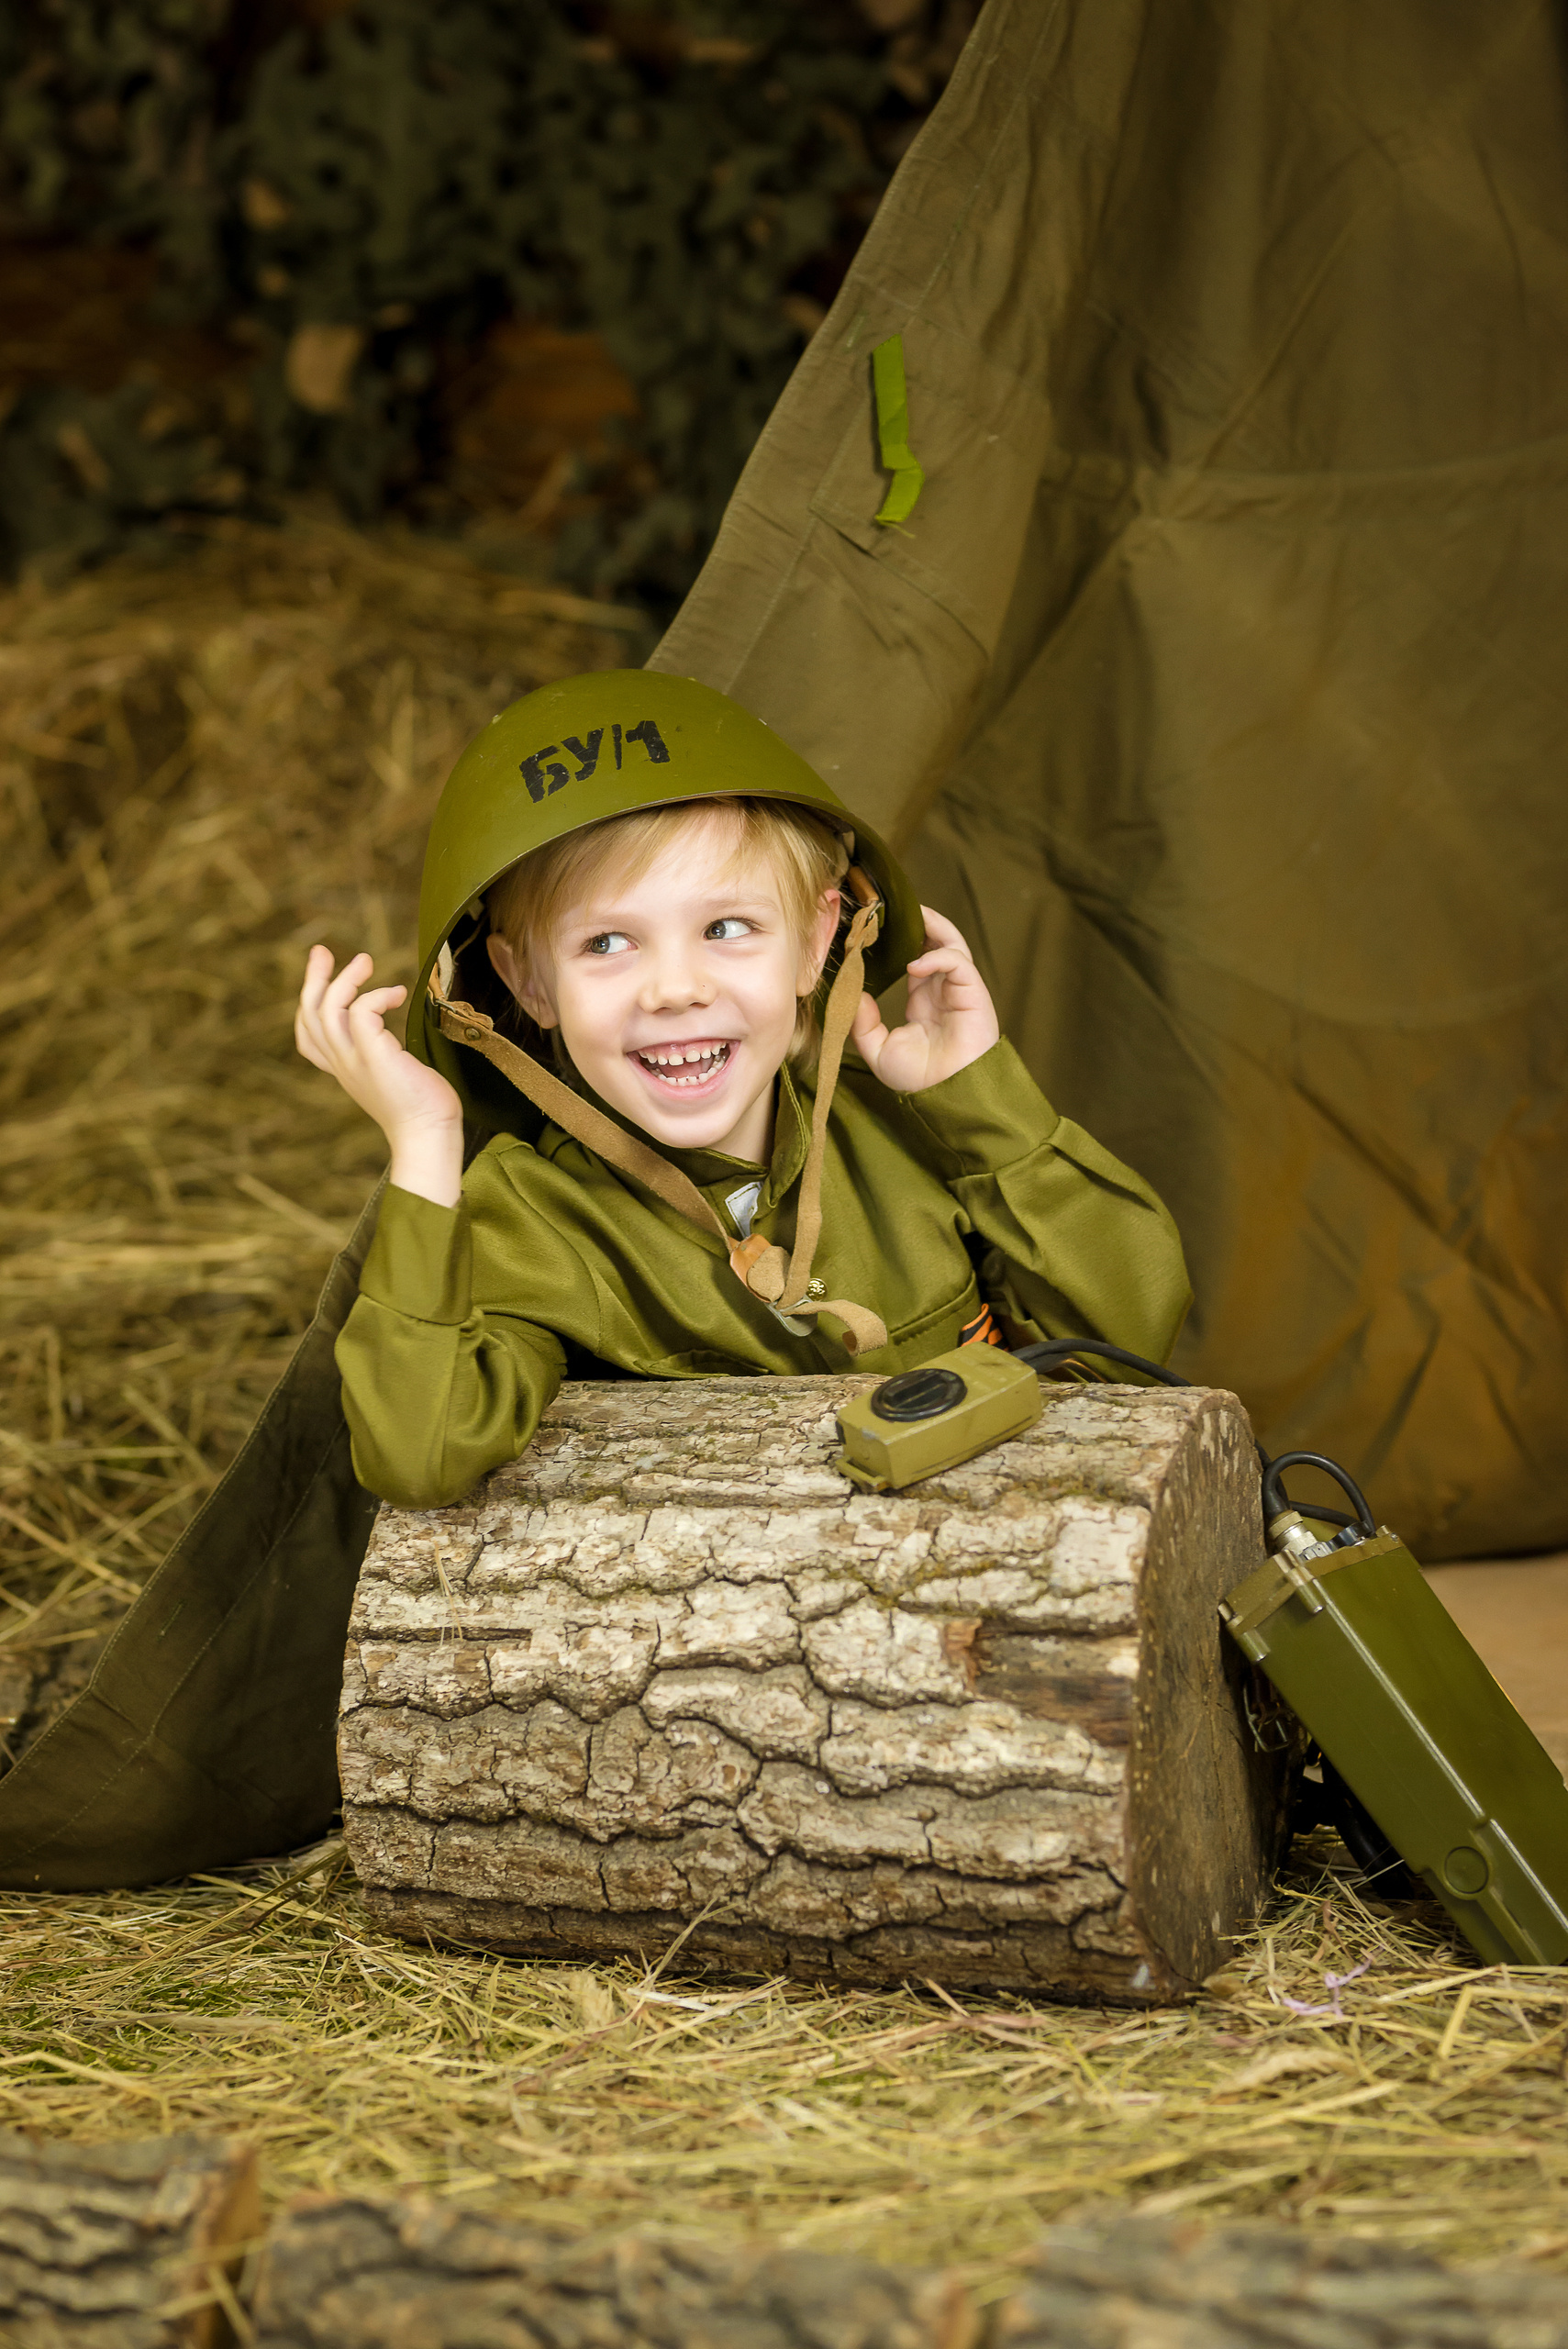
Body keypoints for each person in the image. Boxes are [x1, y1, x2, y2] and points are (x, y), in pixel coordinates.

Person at [295, 670, 1192, 1510]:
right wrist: (422, 1138)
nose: (674, 988)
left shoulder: (907, 1126)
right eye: (606, 943)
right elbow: (419, 1456)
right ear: (526, 984)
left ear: (814, 941)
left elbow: (1127, 1328)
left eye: (726, 926)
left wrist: (982, 1106)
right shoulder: (527, 1217)